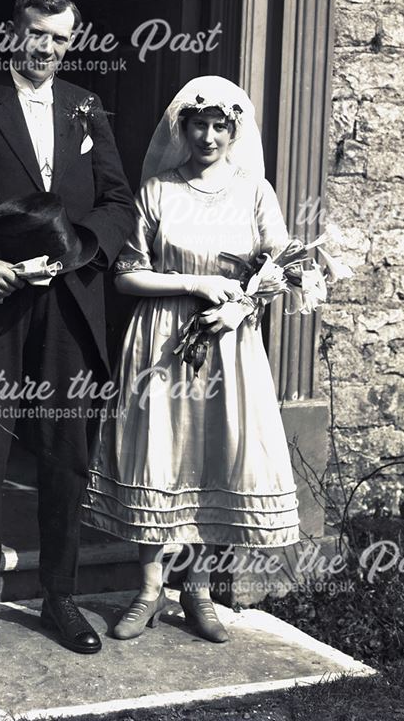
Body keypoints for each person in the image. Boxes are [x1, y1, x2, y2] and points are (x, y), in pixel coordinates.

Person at [0, 0, 135, 657]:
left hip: (68, 307)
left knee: (65, 454)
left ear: (72, 41)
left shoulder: (85, 107)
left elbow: (117, 200)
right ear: (10, 32)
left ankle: (59, 598)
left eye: (58, 38)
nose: (44, 48)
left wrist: (80, 249)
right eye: (34, 34)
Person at [82, 76, 300, 642]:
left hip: (227, 341)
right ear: (182, 128)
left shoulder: (255, 191)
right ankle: (149, 590)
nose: (207, 136)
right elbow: (127, 274)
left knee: (212, 453)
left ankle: (198, 589)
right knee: (159, 454)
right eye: (197, 124)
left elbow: (285, 265)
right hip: (160, 337)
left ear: (234, 131)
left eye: (219, 126)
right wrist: (195, 282)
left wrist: (241, 307)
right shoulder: (157, 189)